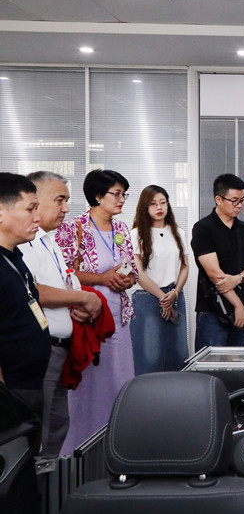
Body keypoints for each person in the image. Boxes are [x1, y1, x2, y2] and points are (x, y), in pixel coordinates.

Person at [18, 171, 102, 457]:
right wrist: (82, 297)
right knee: (36, 431)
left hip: (61, 348)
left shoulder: (48, 239)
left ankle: (48, 483)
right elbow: (33, 291)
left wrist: (80, 302)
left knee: (56, 426)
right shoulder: (22, 243)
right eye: (60, 200)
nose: (66, 208)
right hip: (41, 348)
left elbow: (66, 283)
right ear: (33, 200)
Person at [56, 168, 138, 455]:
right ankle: (80, 450)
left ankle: (117, 447)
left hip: (119, 317)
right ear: (97, 196)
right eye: (117, 194)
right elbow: (63, 271)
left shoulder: (122, 229)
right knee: (89, 385)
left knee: (119, 380)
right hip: (87, 318)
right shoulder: (74, 228)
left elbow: (132, 269)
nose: (122, 199)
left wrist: (128, 279)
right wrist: (102, 278)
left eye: (124, 194)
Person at [0, 173, 50, 417]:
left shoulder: (14, 256)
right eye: (30, 209)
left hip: (30, 383)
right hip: (9, 391)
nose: (37, 217)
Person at [191, 174, 244, 350]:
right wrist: (238, 306)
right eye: (234, 201)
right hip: (213, 310)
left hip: (243, 308)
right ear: (218, 199)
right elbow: (215, 274)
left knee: (239, 363)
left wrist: (237, 279)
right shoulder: (203, 228)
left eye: (242, 200)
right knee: (211, 363)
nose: (239, 205)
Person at [129, 185, 189, 374]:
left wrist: (175, 293)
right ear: (144, 207)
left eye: (163, 202)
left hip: (174, 295)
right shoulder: (135, 234)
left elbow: (185, 266)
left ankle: (176, 392)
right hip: (147, 298)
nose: (159, 207)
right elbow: (138, 273)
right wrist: (163, 298)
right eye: (153, 204)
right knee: (149, 356)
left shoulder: (178, 232)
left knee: (178, 353)